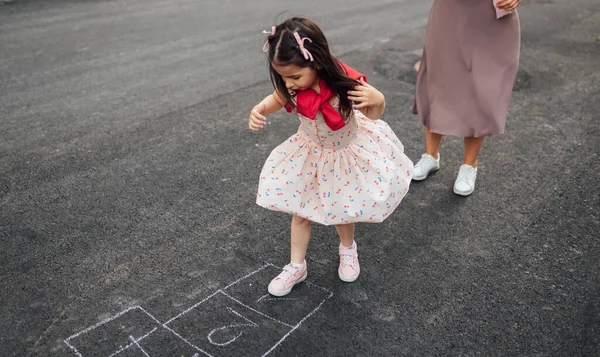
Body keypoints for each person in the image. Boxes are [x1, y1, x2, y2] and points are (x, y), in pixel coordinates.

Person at [249, 17, 413, 296]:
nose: (289, 83)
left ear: (316, 62)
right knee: (300, 211)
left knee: (342, 208)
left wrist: (378, 99)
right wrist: (260, 109)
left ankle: (348, 249)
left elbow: (371, 114)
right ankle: (296, 265)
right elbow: (277, 97)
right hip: (310, 152)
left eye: (295, 76)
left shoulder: (344, 83)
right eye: (284, 77)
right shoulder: (291, 85)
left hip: (343, 154)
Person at [412, 0, 521, 196]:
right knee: (439, 79)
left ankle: (469, 165)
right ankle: (431, 155)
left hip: (489, 14)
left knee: (480, 86)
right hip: (449, 11)